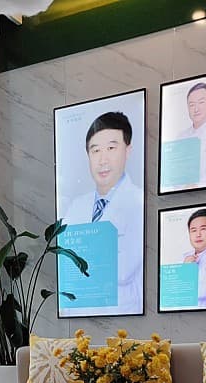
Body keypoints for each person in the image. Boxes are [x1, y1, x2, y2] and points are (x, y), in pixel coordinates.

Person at [63, 111, 143, 315]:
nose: (102, 159)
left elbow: (123, 271)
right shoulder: (76, 206)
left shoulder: (139, 202)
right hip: (78, 315)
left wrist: (84, 255)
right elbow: (66, 268)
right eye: (95, 150)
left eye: (111, 148)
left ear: (128, 150)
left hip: (122, 315)